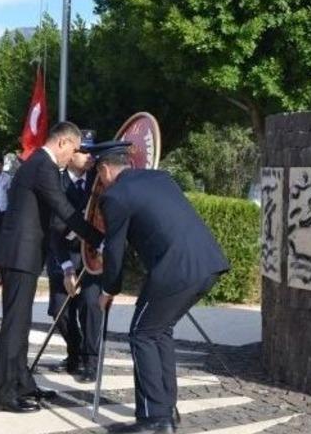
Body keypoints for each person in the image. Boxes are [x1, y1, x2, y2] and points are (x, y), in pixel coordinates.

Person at [87, 141, 230, 434]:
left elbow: (114, 250)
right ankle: (165, 410)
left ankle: (155, 420)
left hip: (175, 270)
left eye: (99, 176)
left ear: (104, 169)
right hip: (207, 263)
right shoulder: (159, 177)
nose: (100, 183)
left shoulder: (115, 196)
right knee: (158, 332)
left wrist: (108, 290)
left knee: (142, 335)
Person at [0, 122, 103, 414]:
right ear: (62, 142)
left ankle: (22, 384)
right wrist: (98, 240)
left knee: (21, 324)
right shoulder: (44, 166)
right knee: (14, 325)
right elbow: (64, 209)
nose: (73, 156)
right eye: (74, 149)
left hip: (24, 255)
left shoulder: (39, 163)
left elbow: (55, 220)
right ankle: (2, 393)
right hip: (19, 254)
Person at [47, 129, 101, 382]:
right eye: (84, 151)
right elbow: (52, 231)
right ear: (70, 154)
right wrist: (67, 268)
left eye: (92, 151)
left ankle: (90, 361)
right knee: (59, 310)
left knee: (90, 305)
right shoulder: (54, 183)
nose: (90, 156)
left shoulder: (99, 181)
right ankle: (74, 352)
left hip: (91, 255)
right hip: (63, 253)